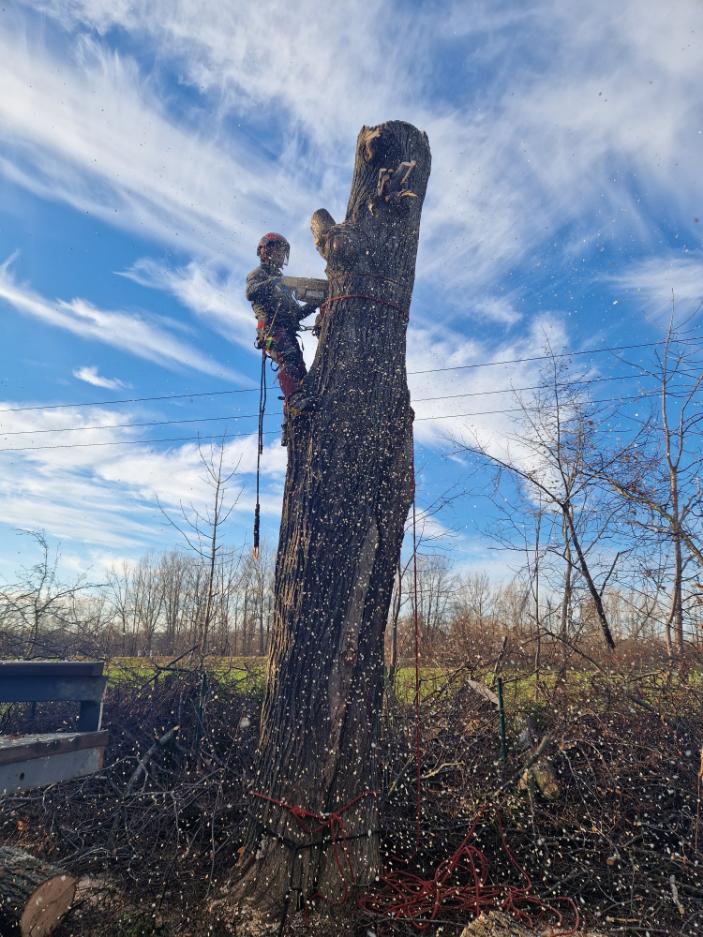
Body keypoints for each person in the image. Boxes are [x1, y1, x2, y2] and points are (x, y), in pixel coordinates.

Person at [246, 233, 318, 432]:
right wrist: (276, 282)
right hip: (270, 329)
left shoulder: (283, 286)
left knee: (299, 371)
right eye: (276, 250)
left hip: (287, 331)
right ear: (266, 250)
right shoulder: (258, 274)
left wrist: (315, 303)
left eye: (281, 252)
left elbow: (295, 314)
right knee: (288, 358)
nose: (279, 255)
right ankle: (295, 400)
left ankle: (293, 420)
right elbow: (250, 292)